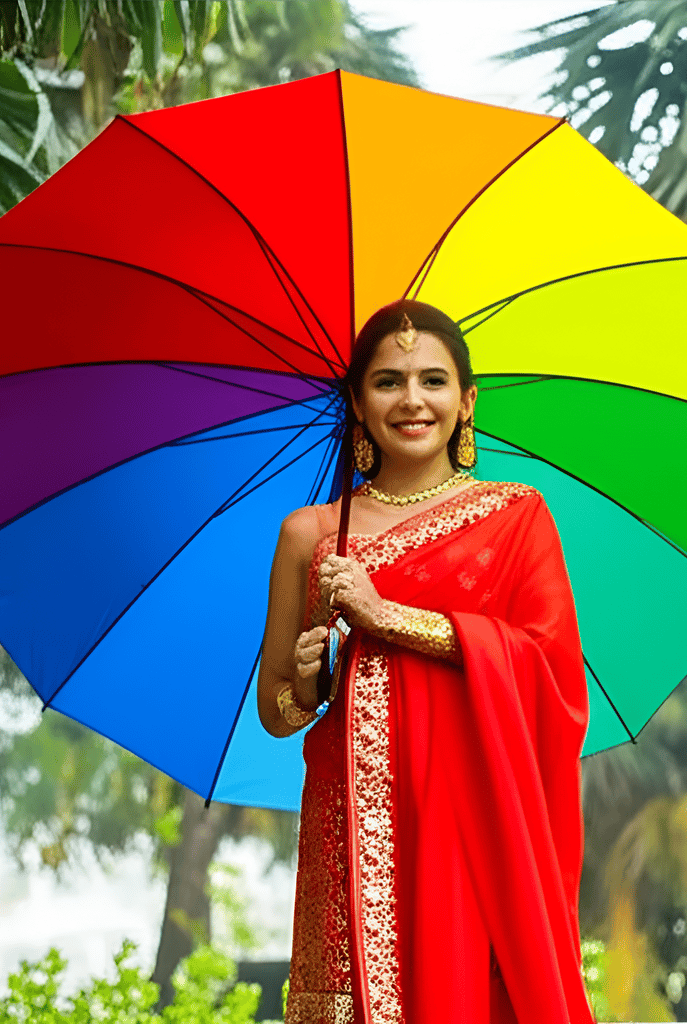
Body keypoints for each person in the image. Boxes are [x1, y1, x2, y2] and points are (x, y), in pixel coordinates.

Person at [257, 299, 594, 1024]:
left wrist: (388, 618)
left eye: (433, 380)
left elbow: (549, 672)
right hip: (348, 824)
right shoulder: (310, 535)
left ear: (467, 401)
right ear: (355, 400)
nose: (412, 400)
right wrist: (313, 679)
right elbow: (276, 712)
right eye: (387, 381)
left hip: (468, 826)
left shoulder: (515, 516)